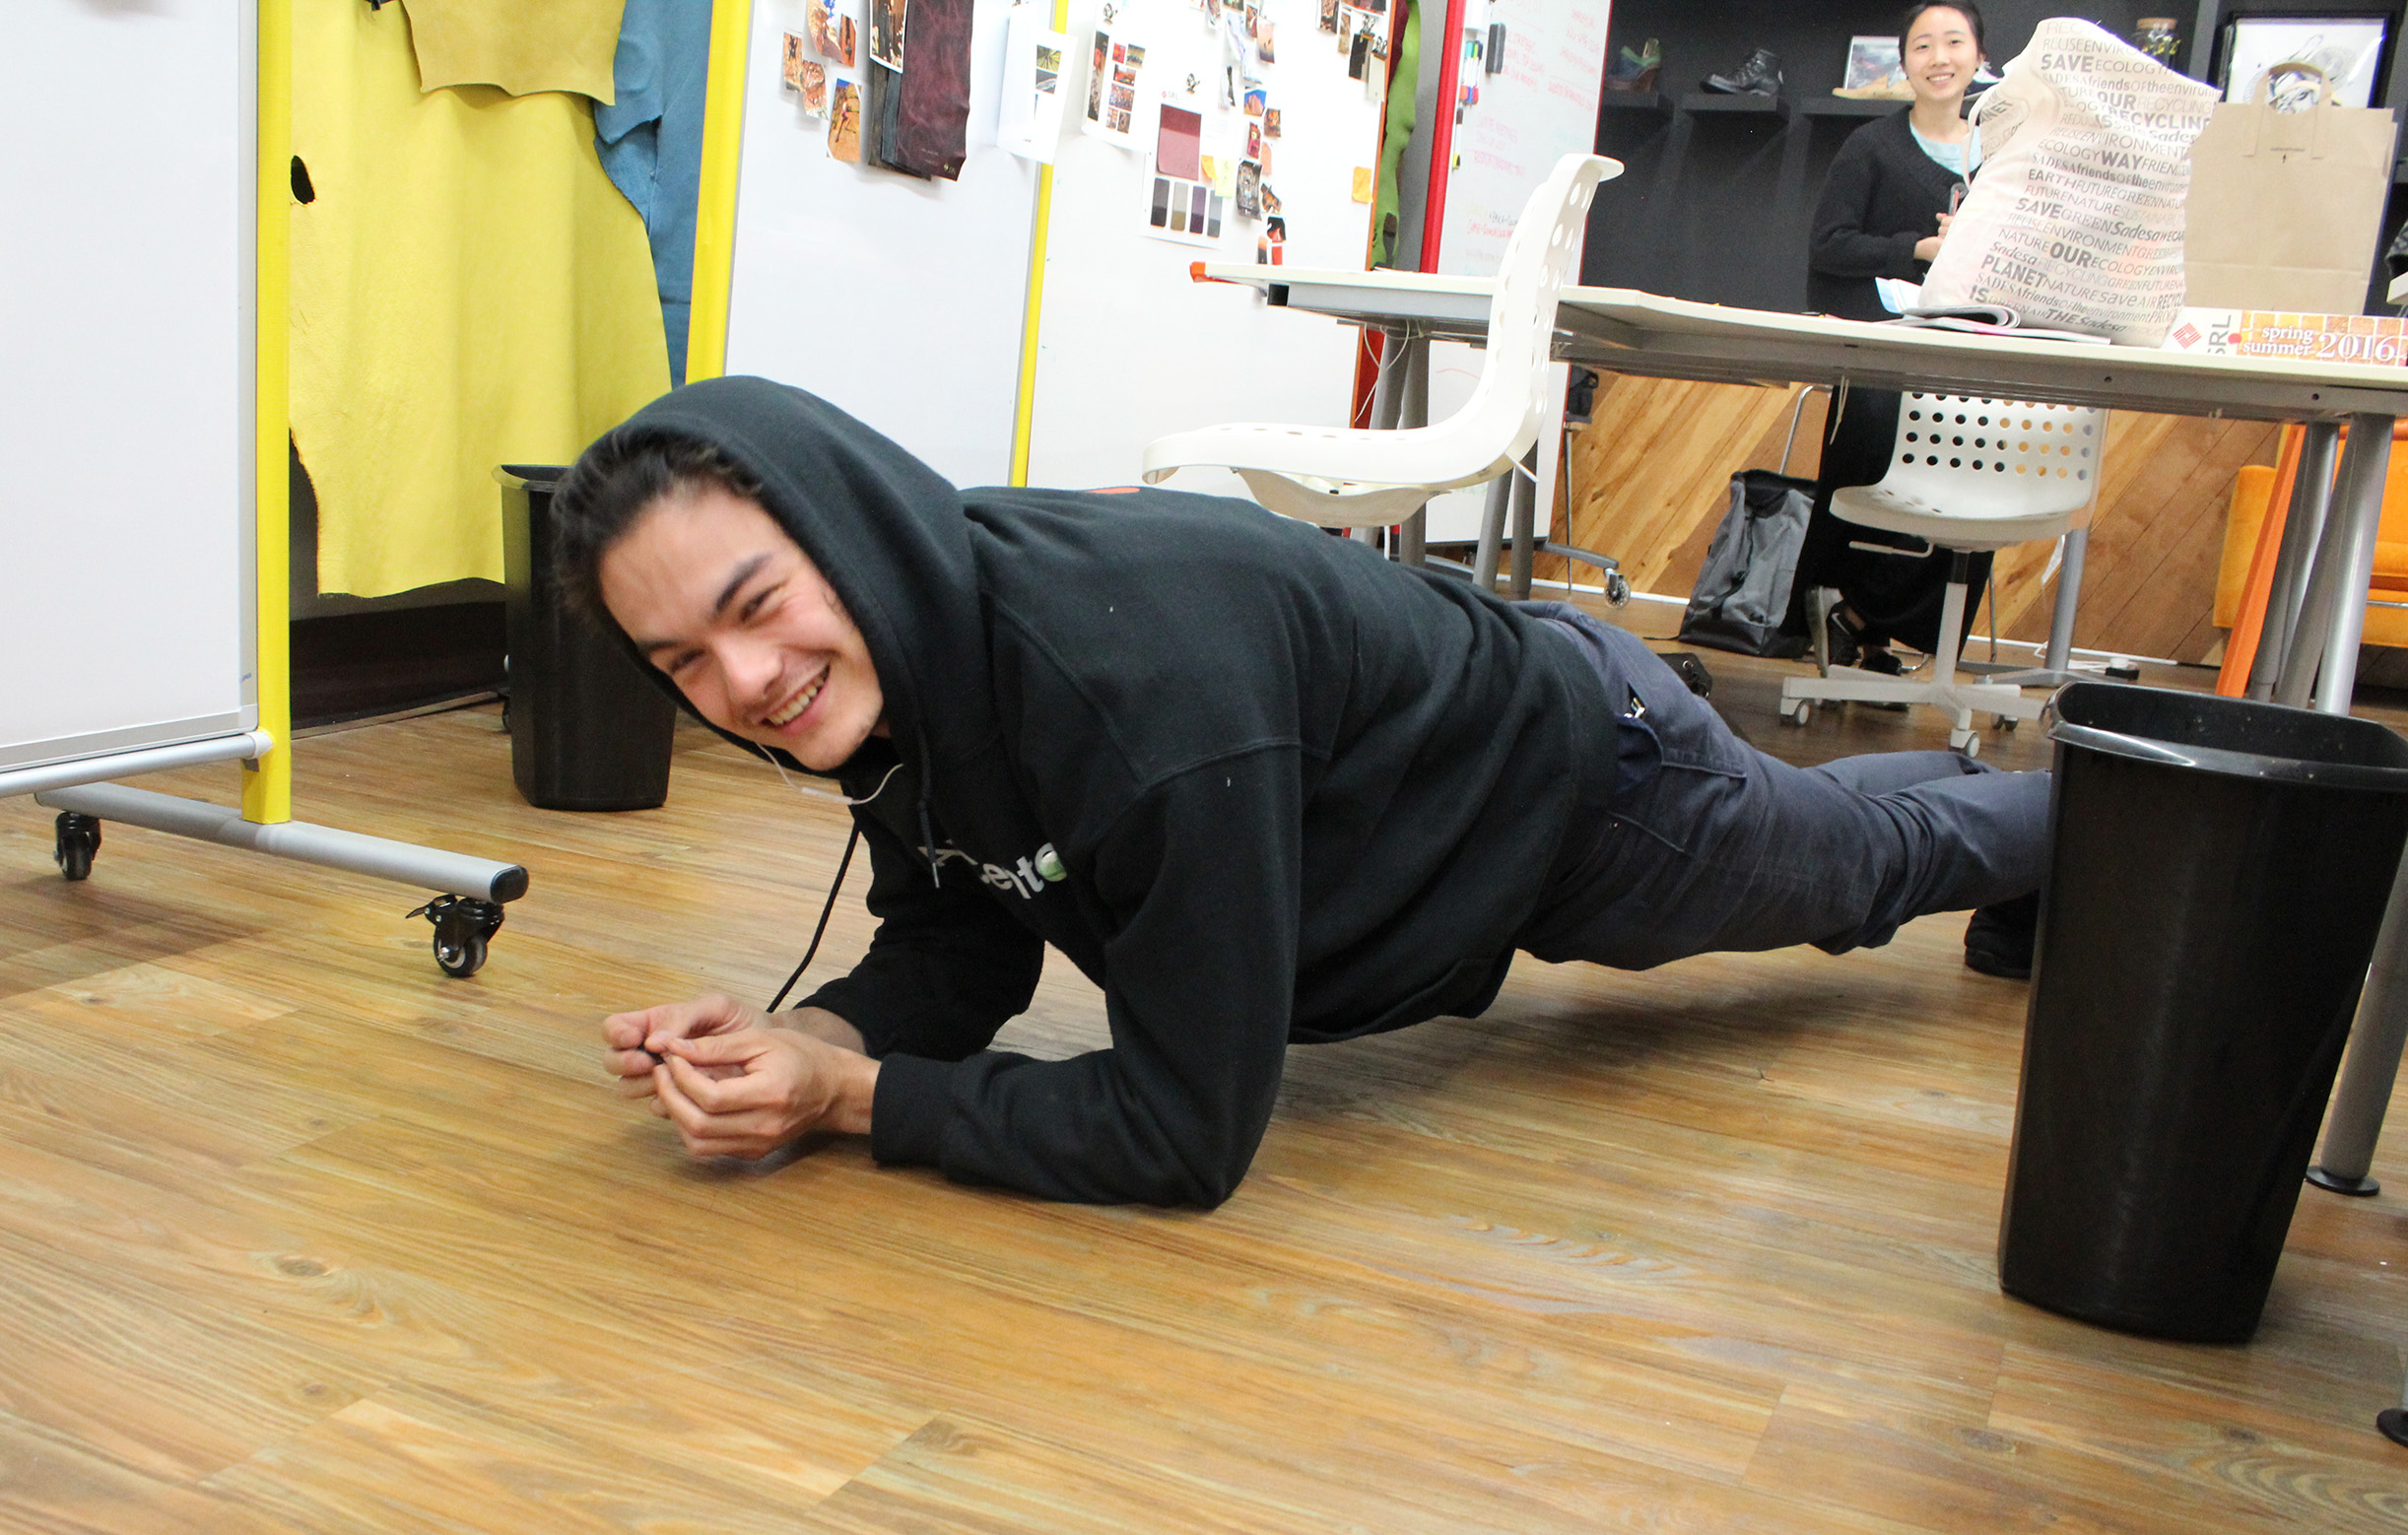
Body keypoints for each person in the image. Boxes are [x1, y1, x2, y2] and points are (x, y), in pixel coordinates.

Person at [562, 376, 2049, 1207]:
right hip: (1442, 748)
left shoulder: (1135, 702)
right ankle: (1969, 786)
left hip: (1589, 782)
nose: (747, 681)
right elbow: (966, 923)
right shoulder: (908, 652)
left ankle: (2117, 810)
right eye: (683, 659)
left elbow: (1183, 1132)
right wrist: (802, 1031)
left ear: (846, 530)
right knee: (1859, 834)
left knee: (1871, 874)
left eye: (759, 605)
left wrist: (854, 1097)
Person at [1798, 1, 1991, 672]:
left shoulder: (2003, 153)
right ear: (1903, 64)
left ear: (1979, 56)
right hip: (1888, 347)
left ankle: (1882, 628)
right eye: (1922, 46)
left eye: (1954, 42)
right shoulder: (1872, 147)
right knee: (1877, 439)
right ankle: (1852, 617)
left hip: (1973, 355)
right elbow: (1829, 247)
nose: (1940, 58)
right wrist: (1921, 247)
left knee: (1981, 467)